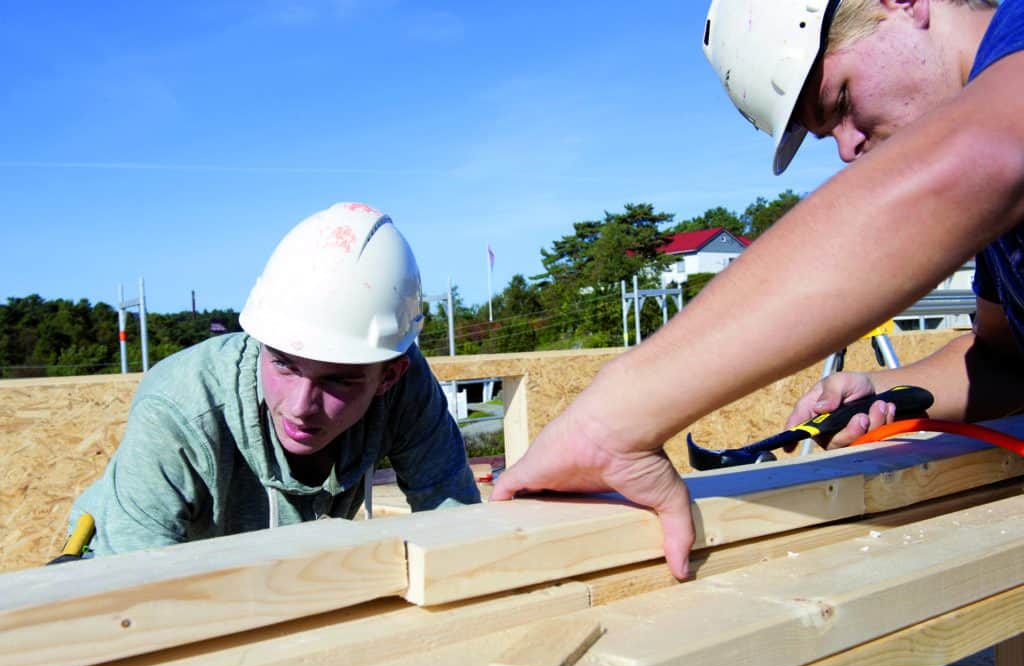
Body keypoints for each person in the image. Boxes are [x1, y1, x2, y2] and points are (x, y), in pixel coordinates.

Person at [492, 0, 1023, 582]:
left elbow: (986, 158)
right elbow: (1004, 359)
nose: (846, 150)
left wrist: (609, 420)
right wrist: (886, 386)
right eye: (829, 133)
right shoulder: (1001, 229)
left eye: (841, 101)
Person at [66, 202, 480, 556]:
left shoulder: (403, 385)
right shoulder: (179, 408)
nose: (300, 406)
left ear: (389, 375)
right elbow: (135, 597)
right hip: (133, 566)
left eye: (338, 381)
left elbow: (455, 525)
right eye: (284, 365)